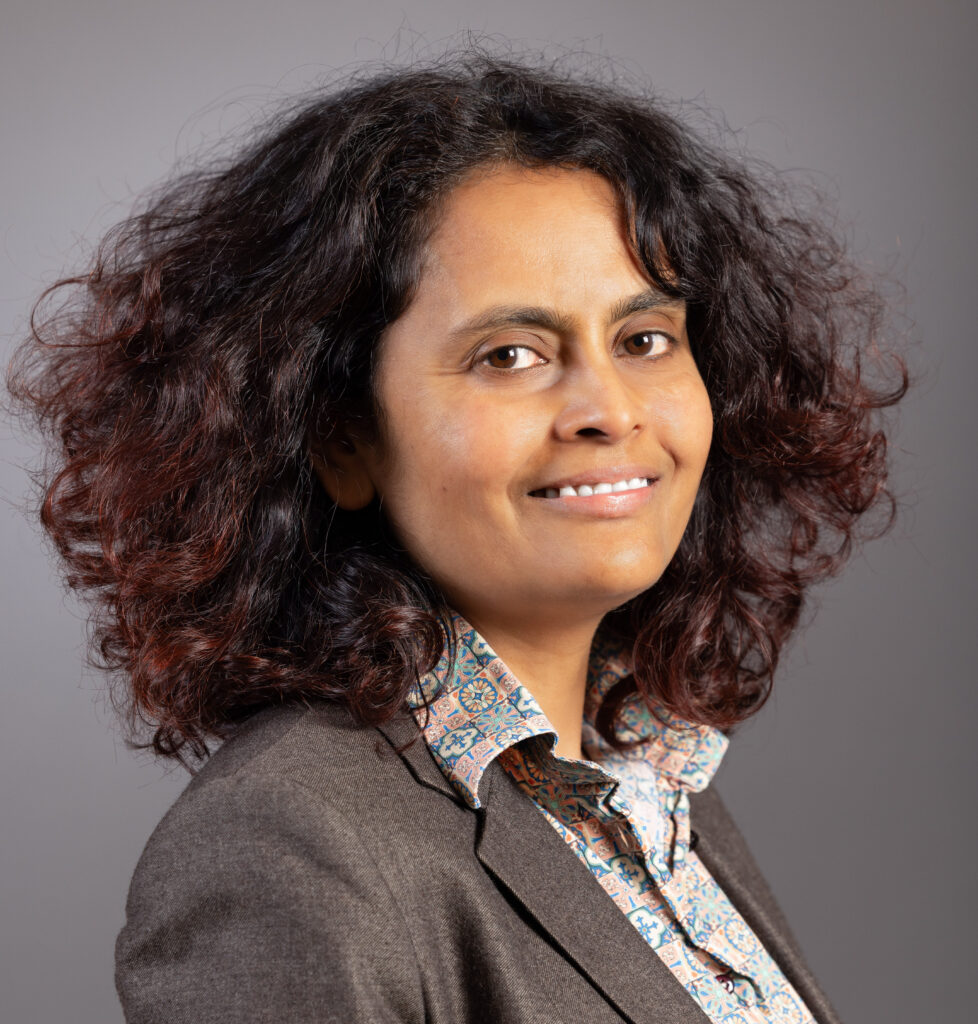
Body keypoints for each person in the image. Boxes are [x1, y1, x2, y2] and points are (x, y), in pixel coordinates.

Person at [7, 50, 907, 1023]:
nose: (608, 408)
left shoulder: (642, 778)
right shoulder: (285, 849)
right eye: (510, 354)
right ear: (343, 438)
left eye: (644, 339)